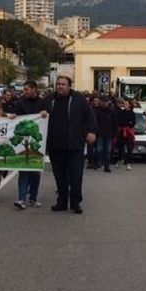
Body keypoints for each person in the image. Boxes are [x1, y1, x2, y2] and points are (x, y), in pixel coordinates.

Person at [44, 76, 97, 214]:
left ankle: (75, 202)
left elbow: (90, 116)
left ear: (69, 86)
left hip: (74, 144)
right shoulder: (49, 99)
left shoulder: (79, 99)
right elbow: (36, 113)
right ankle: (62, 201)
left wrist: (91, 131)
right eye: (58, 84)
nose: (60, 86)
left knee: (75, 175)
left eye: (63, 84)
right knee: (59, 175)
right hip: (55, 144)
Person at [11, 80, 47, 210]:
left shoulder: (43, 103)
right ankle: (21, 198)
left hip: (37, 142)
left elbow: (48, 117)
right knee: (23, 171)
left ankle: (33, 197)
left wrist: (45, 114)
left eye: (26, 89)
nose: (24, 92)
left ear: (34, 89)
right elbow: (15, 118)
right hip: (23, 141)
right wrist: (13, 116)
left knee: (35, 172)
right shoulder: (20, 103)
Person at [94, 96, 117, 173]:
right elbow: (95, 122)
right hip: (100, 134)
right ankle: (98, 162)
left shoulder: (112, 112)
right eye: (103, 101)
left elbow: (115, 123)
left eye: (105, 102)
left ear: (108, 102)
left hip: (109, 134)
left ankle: (106, 166)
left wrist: (114, 133)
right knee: (98, 149)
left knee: (108, 150)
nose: (104, 103)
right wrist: (95, 131)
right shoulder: (98, 111)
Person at [115, 98, 136, 171]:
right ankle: (120, 159)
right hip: (122, 131)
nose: (125, 105)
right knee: (120, 147)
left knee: (129, 147)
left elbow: (133, 123)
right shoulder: (121, 112)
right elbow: (119, 121)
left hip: (129, 132)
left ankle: (129, 163)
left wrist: (128, 123)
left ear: (129, 105)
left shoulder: (132, 113)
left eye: (126, 104)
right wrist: (126, 123)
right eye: (124, 104)